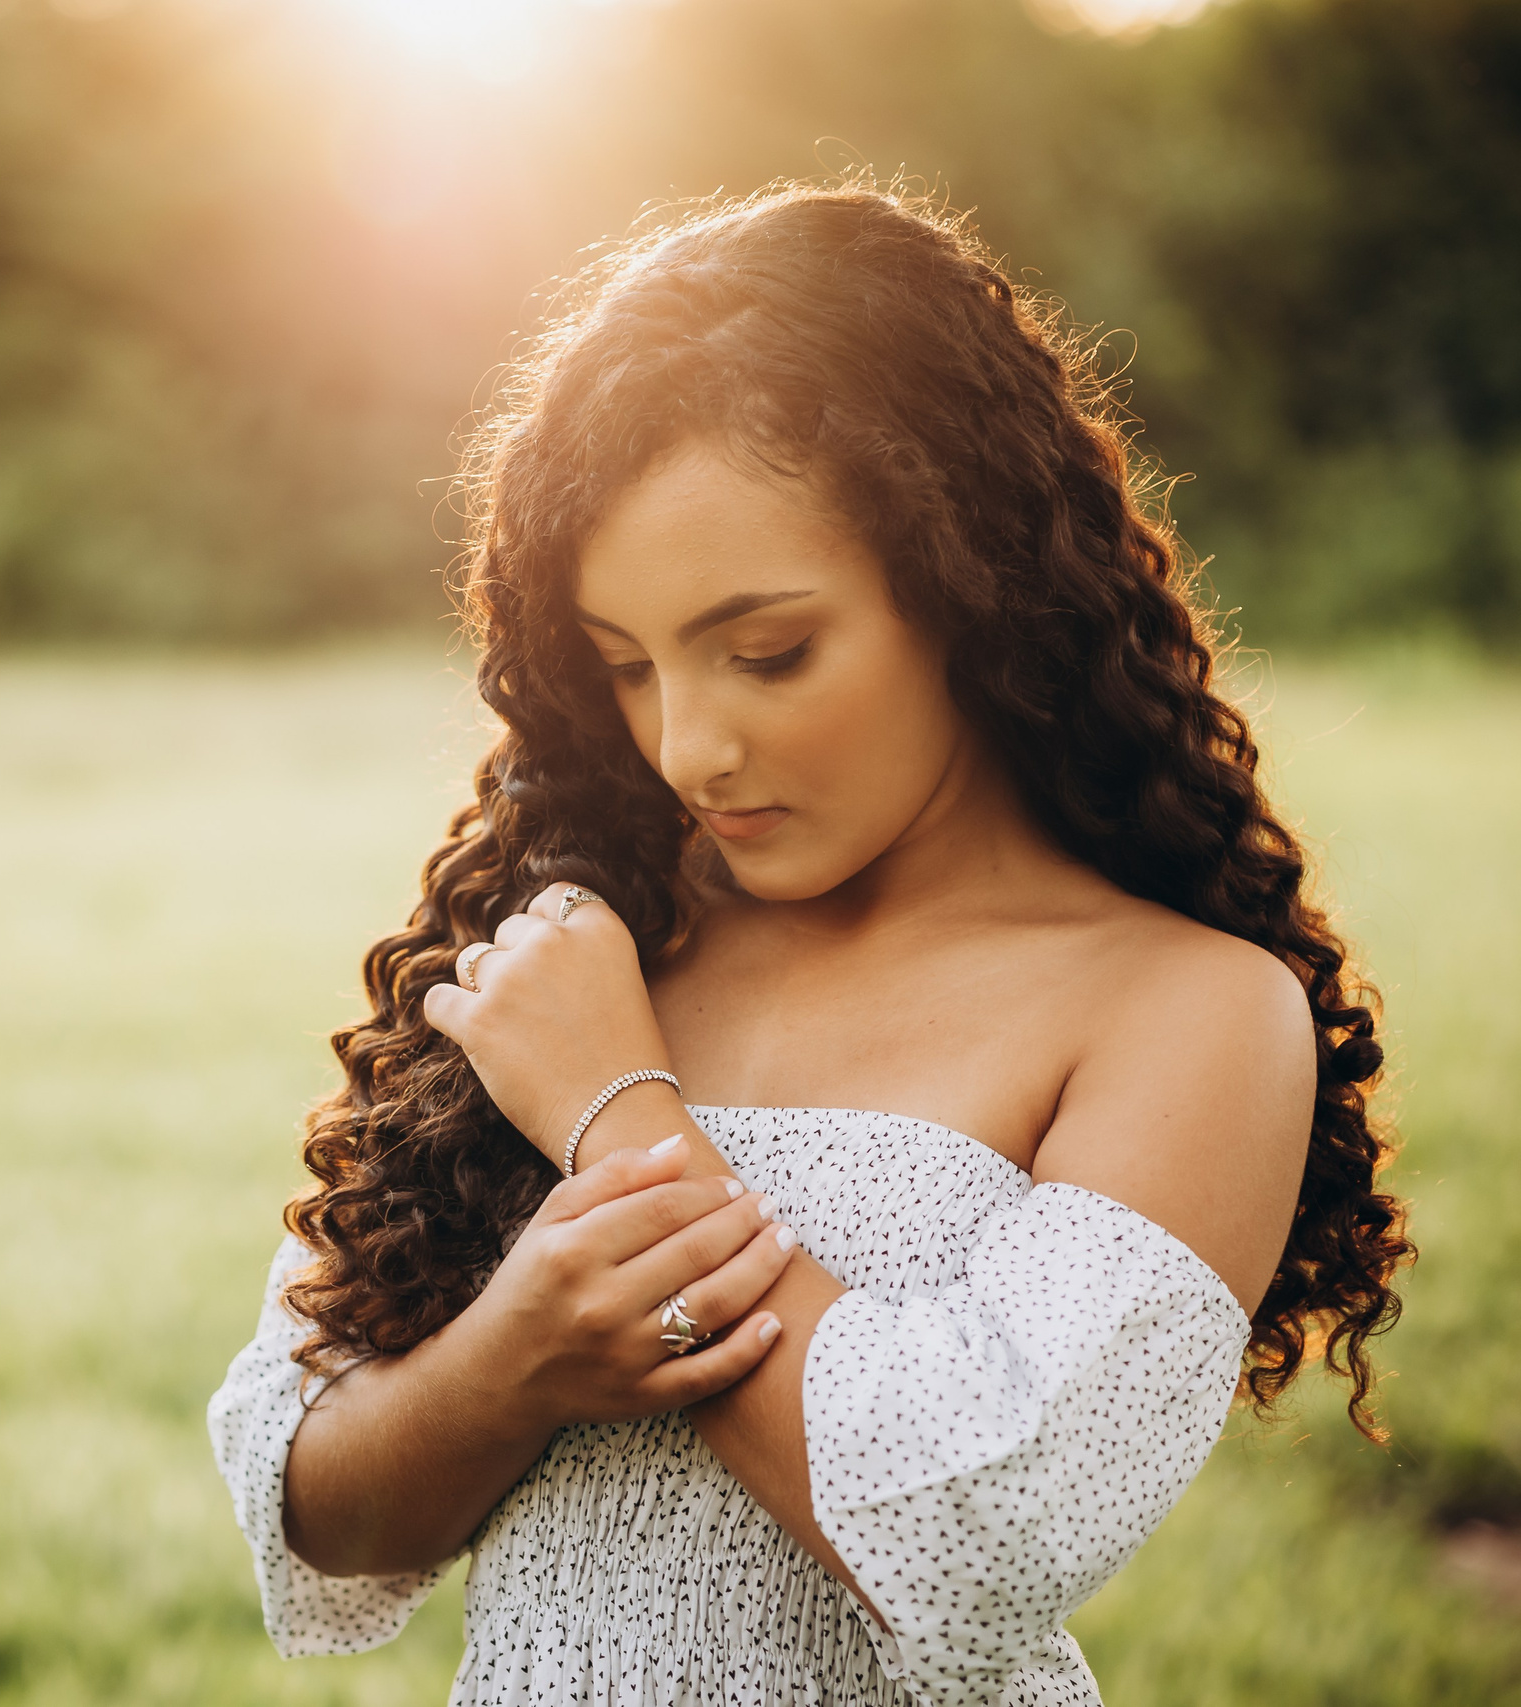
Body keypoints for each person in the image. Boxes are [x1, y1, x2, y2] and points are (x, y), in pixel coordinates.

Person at [206, 185, 1410, 1706]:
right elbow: (307, 1512)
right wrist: (513, 1359)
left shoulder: (1190, 1012)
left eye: (767, 653)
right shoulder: (578, 939)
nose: (687, 748)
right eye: (627, 666)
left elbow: (979, 1549)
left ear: (975, 588)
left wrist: (618, 1123)